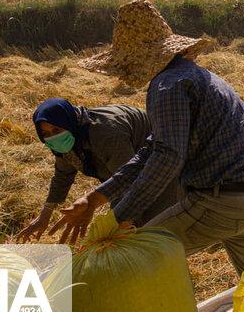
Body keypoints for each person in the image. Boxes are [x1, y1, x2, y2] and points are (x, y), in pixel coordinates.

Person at [23, 0, 244, 276]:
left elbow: (167, 156)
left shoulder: (167, 85)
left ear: (138, 58)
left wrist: (120, 217)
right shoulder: (199, 75)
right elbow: (150, 150)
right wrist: (94, 199)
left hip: (220, 204)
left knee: (132, 258)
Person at [18, 98, 180, 240]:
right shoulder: (67, 139)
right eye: (45, 134)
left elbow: (128, 180)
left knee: (153, 226)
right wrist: (44, 216)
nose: (53, 137)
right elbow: (63, 176)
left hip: (164, 157)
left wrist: (113, 221)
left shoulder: (106, 134)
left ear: (68, 122)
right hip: (127, 167)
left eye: (56, 130)